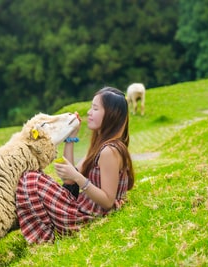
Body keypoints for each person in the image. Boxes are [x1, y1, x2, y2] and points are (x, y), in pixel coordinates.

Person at [15, 86, 135, 244]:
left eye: (95, 108)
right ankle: (46, 233)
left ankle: (45, 238)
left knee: (31, 180)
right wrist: (71, 137)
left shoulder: (109, 151)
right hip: (82, 210)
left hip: (86, 219)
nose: (89, 113)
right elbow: (69, 180)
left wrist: (78, 177)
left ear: (111, 115)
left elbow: (107, 201)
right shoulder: (101, 146)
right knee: (31, 177)